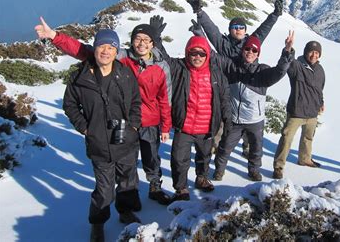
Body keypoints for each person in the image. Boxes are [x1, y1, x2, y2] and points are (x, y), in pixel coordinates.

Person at [35, 17, 173, 205]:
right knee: (125, 160)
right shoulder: (120, 56)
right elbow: (83, 51)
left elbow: (165, 98)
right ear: (131, 41)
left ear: (152, 43)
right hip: (122, 122)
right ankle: (122, 198)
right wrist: (54, 36)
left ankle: (154, 186)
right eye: (137, 38)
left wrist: (165, 126)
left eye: (146, 39)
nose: (141, 44)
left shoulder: (160, 65)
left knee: (151, 156)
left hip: (148, 120)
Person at [62, 29, 142, 241]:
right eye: (102, 46)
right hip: (98, 137)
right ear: (94, 48)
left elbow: (135, 100)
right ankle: (98, 223)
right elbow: (69, 105)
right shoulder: (81, 77)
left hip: (122, 130)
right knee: (105, 188)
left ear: (116, 51)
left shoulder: (124, 73)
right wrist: (85, 128)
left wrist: (133, 125)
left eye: (111, 47)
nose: (106, 51)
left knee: (127, 180)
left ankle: (125, 211)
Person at [187, 0, 284, 156]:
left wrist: (275, 15)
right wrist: (200, 13)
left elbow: (263, 29)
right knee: (220, 115)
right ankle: (216, 145)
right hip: (225, 85)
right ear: (230, 30)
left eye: (241, 27)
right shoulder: (223, 44)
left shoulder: (251, 43)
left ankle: (246, 146)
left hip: (249, 84)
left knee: (249, 116)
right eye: (234, 27)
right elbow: (212, 31)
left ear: (245, 30)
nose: (238, 30)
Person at [151, 17, 232, 201]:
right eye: (193, 53)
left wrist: (227, 119)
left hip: (207, 127)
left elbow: (225, 98)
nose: (197, 57)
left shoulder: (216, 74)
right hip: (184, 127)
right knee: (179, 160)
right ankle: (181, 188)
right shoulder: (180, 68)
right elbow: (163, 57)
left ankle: (201, 178)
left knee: (204, 157)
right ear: (188, 53)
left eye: (201, 53)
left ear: (207, 55)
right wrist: (156, 38)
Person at [212, 32, 294, 181]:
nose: (250, 52)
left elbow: (280, 71)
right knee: (224, 148)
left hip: (255, 121)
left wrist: (287, 51)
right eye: (247, 49)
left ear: (258, 54)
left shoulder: (262, 71)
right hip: (235, 120)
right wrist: (199, 36)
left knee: (256, 150)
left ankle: (254, 171)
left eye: (254, 50)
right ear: (243, 50)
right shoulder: (231, 66)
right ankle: (219, 171)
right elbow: (213, 57)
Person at [272, 40, 325, 179]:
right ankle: (278, 166)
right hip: (297, 111)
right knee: (286, 138)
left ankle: (305, 159)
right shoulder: (297, 66)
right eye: (311, 52)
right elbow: (288, 61)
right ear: (305, 52)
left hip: (312, 112)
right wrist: (288, 49)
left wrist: (321, 102)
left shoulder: (320, 70)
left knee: (308, 138)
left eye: (317, 52)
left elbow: (320, 89)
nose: (314, 55)